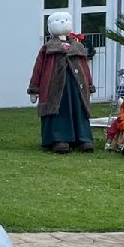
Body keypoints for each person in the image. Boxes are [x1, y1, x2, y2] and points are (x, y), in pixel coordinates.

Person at [28, 10, 95, 152]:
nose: (63, 22)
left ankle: (82, 138)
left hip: (77, 86)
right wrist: (34, 88)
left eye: (66, 20)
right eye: (58, 21)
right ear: (50, 26)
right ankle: (59, 139)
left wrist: (89, 86)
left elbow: (85, 68)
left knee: (79, 109)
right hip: (54, 88)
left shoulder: (78, 47)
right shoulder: (48, 48)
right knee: (58, 110)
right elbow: (38, 68)